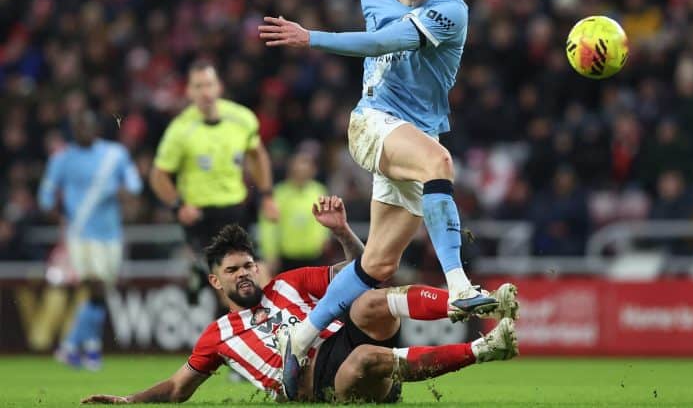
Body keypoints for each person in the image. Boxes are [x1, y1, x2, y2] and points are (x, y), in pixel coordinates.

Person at [258, 0, 503, 396]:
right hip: (372, 122)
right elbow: (378, 45)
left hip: (415, 134)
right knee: (439, 163)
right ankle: (460, 286)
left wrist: (313, 37)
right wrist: (314, 39)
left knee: (378, 263)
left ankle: (301, 337)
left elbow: (383, 42)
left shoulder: (451, 11)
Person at [81, 196, 519, 404]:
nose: (244, 274)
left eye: (248, 265)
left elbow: (364, 271)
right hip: (321, 385)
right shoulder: (219, 336)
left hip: (343, 339)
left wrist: (341, 232)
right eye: (232, 271)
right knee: (365, 357)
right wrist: (130, 401)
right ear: (215, 282)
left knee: (368, 301)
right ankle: (486, 348)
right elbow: (178, 388)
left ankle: (467, 300)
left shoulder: (288, 284)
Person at [149, 60, 279, 297]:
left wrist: (267, 195)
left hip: (237, 211)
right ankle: (203, 280)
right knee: (229, 288)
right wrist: (179, 206)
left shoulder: (242, 119)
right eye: (198, 86)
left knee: (261, 279)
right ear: (189, 92)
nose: (205, 92)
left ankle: (201, 279)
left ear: (219, 87)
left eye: (209, 84)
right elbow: (158, 176)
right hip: (202, 217)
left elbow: (257, 155)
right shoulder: (180, 129)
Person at [38, 110, 142, 370]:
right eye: (78, 126)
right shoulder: (62, 158)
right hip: (81, 234)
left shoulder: (115, 154)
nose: (83, 130)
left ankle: (83, 346)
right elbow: (45, 196)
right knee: (95, 285)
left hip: (111, 233)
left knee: (101, 289)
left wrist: (125, 192)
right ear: (73, 130)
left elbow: (134, 184)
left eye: (87, 125)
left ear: (96, 128)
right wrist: (59, 215)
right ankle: (78, 346)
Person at [260, 151, 329, 273]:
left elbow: (326, 218)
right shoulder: (279, 193)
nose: (301, 173)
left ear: (312, 171)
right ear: (291, 170)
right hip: (286, 256)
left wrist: (324, 238)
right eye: (298, 170)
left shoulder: (318, 191)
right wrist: (270, 253)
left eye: (305, 169)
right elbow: (269, 226)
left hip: (313, 254)